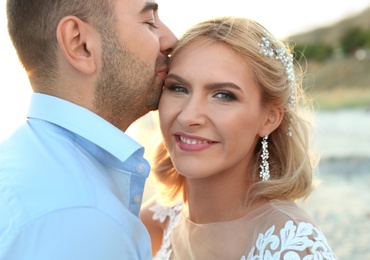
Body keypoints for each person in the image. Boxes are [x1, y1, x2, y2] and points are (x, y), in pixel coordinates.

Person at [140, 16, 337, 259]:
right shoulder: (154, 221)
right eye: (178, 88)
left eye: (223, 95)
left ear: (269, 119)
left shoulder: (292, 246)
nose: (189, 116)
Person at [0, 0, 177, 259]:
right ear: (80, 44)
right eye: (149, 21)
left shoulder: (21, 161)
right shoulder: (80, 218)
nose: (171, 39)